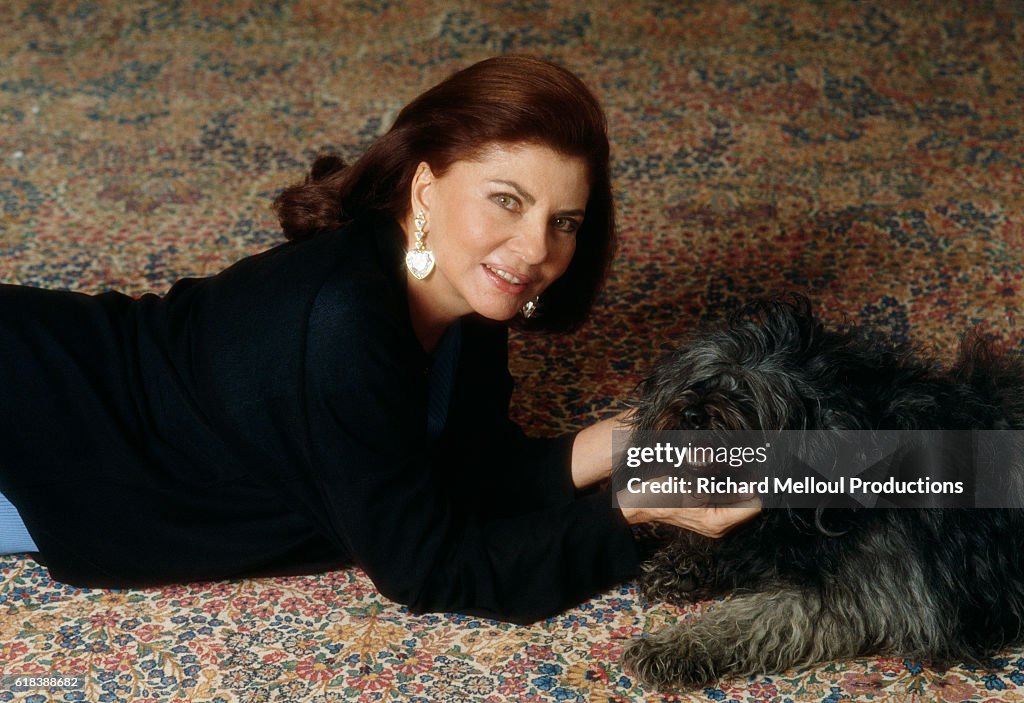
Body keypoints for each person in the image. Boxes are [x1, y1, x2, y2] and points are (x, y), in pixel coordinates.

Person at [0, 56, 758, 624]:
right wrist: (635, 508)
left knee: (851, 469)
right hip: (40, 434)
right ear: (425, 191)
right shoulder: (343, 324)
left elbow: (462, 472)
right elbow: (433, 566)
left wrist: (624, 445)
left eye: (563, 221)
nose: (534, 251)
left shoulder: (457, 288)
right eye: (506, 200)